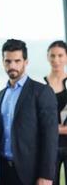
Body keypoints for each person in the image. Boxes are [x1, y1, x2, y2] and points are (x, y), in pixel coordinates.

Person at [0, 39, 58, 185]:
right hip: (5, 171)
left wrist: (46, 175)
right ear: (3, 62)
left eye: (17, 61)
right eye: (8, 61)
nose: (12, 66)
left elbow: (50, 136)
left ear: (26, 61)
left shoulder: (42, 92)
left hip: (32, 173)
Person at [44, 40, 67, 185]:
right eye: (52, 56)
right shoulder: (41, 86)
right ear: (47, 57)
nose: (56, 60)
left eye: (60, 55)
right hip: (49, 147)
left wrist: (53, 129)